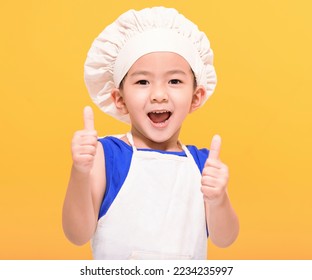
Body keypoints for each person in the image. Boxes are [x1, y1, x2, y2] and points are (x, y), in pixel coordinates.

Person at [62, 6, 239, 260]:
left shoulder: (202, 166)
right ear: (119, 98)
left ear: (196, 97)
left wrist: (218, 198)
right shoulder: (107, 156)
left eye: (174, 81)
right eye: (142, 81)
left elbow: (225, 238)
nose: (158, 94)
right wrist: (79, 172)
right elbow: (76, 234)